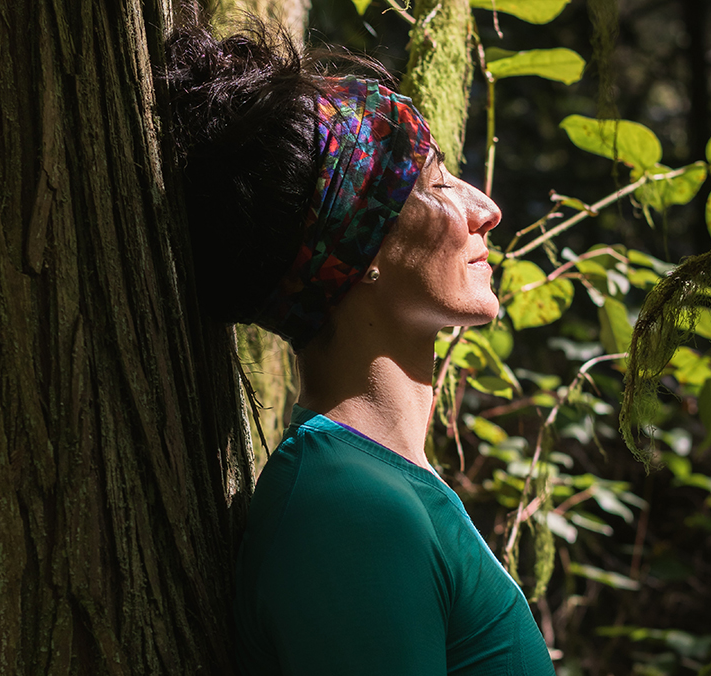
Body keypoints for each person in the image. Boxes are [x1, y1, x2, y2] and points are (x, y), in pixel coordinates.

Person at [165, 16, 556, 676]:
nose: (485, 207)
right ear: (358, 248)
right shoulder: (347, 509)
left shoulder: (375, 483)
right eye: (435, 184)